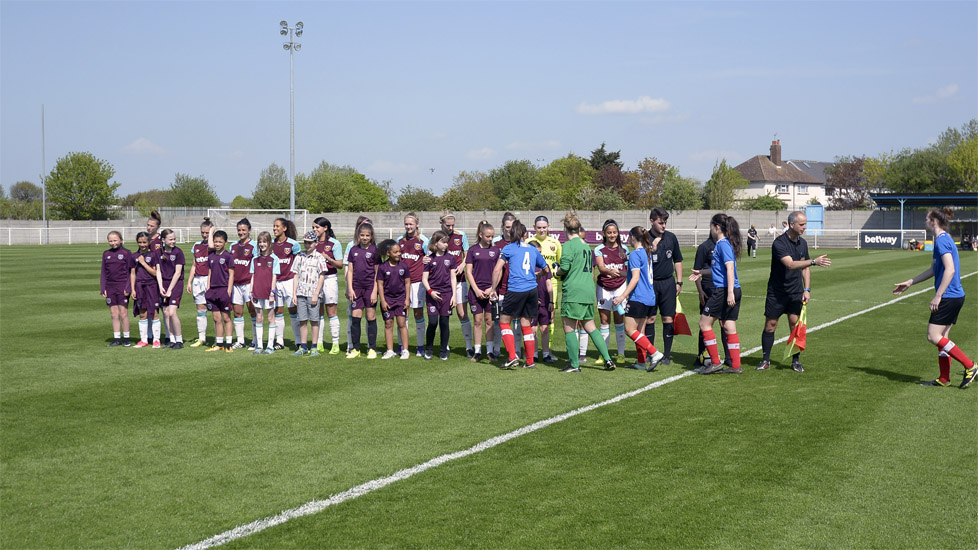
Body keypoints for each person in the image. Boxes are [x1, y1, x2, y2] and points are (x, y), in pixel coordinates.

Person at [893, 208, 976, 388]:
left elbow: (950, 269)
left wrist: (938, 296)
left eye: (926, 219)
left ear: (934, 221)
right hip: (955, 296)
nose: (924, 222)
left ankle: (970, 366)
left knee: (933, 336)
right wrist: (910, 282)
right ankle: (944, 378)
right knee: (943, 337)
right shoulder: (942, 239)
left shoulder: (942, 241)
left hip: (949, 297)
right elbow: (934, 269)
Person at [757, 211, 831, 372]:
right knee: (770, 325)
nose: (805, 227)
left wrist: (807, 289)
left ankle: (795, 361)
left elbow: (805, 268)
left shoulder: (802, 243)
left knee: (794, 325)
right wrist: (813, 262)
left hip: (796, 292)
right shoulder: (779, 243)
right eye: (802, 224)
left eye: (805, 224)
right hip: (777, 292)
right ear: (792, 225)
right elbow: (790, 265)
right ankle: (765, 360)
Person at [556, 212, 615, 373]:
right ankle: (608, 359)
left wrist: (556, 271)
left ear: (565, 229)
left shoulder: (568, 245)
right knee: (591, 327)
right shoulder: (586, 246)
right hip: (588, 291)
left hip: (574, 292)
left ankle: (574, 364)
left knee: (569, 327)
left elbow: (565, 268)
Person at [492, 220, 551, 369]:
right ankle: (530, 361)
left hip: (516, 289)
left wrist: (493, 288)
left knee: (504, 321)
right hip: (532, 290)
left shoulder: (508, 248)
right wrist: (538, 276)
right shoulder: (533, 249)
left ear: (511, 233)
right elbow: (546, 269)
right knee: (526, 324)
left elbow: (497, 269)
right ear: (525, 234)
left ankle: (512, 357)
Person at [695, 214, 744, 375]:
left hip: (724, 290)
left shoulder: (722, 244)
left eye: (711, 227)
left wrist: (729, 293)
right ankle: (736, 365)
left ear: (717, 228)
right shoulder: (723, 244)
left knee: (704, 324)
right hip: (730, 289)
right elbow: (720, 269)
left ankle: (715, 363)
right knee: (728, 325)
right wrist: (702, 272)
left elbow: (730, 268)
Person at [612, 227, 664, 371]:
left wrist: (622, 296)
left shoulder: (635, 254)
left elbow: (635, 279)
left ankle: (654, 353)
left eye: (629, 237)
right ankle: (641, 362)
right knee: (639, 332)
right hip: (649, 297)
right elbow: (639, 275)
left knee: (629, 329)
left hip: (638, 297)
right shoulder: (646, 253)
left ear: (633, 237)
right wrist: (623, 274)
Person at [645, 207, 683, 366]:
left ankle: (667, 355)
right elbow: (639, 261)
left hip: (668, 283)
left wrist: (679, 282)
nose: (664, 226)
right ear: (652, 221)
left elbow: (678, 260)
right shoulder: (644, 238)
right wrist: (651, 247)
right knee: (650, 319)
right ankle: (650, 353)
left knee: (668, 318)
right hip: (650, 283)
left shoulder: (671, 238)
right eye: (661, 222)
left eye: (665, 222)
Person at [532, 215, 571, 362]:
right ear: (534, 227)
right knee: (532, 319)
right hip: (533, 286)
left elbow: (561, 264)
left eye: (544, 227)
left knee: (550, 319)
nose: (542, 230)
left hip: (551, 285)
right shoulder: (530, 242)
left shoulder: (555, 243)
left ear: (549, 227)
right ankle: (534, 350)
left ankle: (548, 350)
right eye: (539, 227)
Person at [437, 210, 473, 355]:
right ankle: (444, 346)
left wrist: (462, 265)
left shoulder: (460, 235)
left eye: (452, 225)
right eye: (448, 225)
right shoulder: (437, 237)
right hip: (442, 283)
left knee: (462, 313)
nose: (451, 228)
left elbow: (467, 254)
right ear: (441, 224)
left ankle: (469, 347)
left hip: (459, 280)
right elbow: (429, 255)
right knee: (443, 315)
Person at [594, 219, 628, 362]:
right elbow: (601, 268)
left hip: (620, 287)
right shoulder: (599, 249)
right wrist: (609, 271)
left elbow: (629, 271)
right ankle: (604, 354)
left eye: (614, 232)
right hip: (603, 288)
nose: (612, 235)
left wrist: (619, 274)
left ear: (618, 233)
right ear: (604, 234)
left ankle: (621, 353)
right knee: (604, 320)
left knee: (619, 319)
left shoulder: (624, 249)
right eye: (609, 232)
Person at [692, 231, 728, 368]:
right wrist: (700, 291)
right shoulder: (705, 247)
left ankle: (729, 357)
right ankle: (701, 354)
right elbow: (696, 270)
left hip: (723, 289)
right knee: (705, 323)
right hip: (708, 290)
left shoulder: (725, 245)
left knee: (724, 324)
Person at [290, 232, 328, 357]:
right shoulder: (299, 256)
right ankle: (303, 346)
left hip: (313, 294)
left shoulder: (319, 257)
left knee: (314, 320)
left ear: (316, 243)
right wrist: (294, 294)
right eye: (305, 242)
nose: (307, 245)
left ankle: (314, 347)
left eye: (310, 242)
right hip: (301, 292)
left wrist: (316, 294)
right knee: (302, 320)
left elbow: (322, 276)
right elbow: (295, 275)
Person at [465, 220, 498, 362]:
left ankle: (490, 352)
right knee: (478, 321)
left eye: (492, 236)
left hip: (491, 291)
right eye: (488, 236)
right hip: (475, 292)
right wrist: (476, 289)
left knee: (489, 321)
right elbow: (468, 272)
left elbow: (499, 271)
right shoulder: (473, 250)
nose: (490, 239)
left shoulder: (496, 251)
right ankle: (477, 351)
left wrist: (492, 288)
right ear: (481, 235)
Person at [398, 213, 430, 356]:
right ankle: (401, 345)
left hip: (417, 282)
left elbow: (429, 258)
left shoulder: (423, 240)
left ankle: (419, 346)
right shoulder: (399, 240)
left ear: (417, 224)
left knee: (418, 313)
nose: (408, 227)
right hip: (401, 282)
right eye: (406, 224)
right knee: (402, 313)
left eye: (411, 224)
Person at [346, 221, 379, 359]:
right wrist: (350, 288)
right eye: (362, 235)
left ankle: (371, 348)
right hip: (356, 288)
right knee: (355, 317)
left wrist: (374, 291)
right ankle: (356, 349)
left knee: (370, 317)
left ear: (371, 237)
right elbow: (350, 271)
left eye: (367, 235)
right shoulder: (353, 250)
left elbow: (378, 273)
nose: (364, 238)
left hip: (370, 288)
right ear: (358, 235)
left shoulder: (375, 251)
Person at [422, 231, 457, 360]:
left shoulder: (450, 258)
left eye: (447, 242)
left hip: (446, 294)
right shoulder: (429, 259)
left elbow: (453, 277)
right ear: (436, 243)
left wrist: (454, 295)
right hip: (432, 295)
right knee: (432, 322)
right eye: (443, 242)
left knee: (444, 322)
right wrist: (430, 291)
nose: (446, 245)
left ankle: (443, 350)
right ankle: (429, 349)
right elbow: (424, 279)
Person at [313, 217, 344, 355]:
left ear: (325, 228)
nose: (314, 230)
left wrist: (329, 259)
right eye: (313, 227)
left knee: (331, 311)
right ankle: (318, 342)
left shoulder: (334, 243)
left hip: (330, 278)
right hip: (315, 280)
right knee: (317, 311)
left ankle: (335, 343)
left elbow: (340, 265)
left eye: (317, 227)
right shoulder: (312, 243)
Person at [376, 239, 411, 360]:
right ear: (388, 253)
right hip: (388, 300)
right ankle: (390, 350)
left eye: (399, 252)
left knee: (402, 323)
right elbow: (380, 284)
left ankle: (405, 350)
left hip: (401, 299)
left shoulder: (404, 266)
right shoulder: (382, 267)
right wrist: (383, 301)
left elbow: (407, 283)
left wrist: (407, 299)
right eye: (395, 252)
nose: (398, 254)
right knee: (388, 323)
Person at [249, 231, 281, 355]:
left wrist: (272, 292)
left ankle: (270, 346)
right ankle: (259, 345)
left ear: (269, 243)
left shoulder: (274, 259)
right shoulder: (255, 259)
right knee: (259, 317)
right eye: (260, 242)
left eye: (264, 242)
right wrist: (251, 292)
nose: (262, 244)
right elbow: (252, 276)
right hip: (257, 292)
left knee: (270, 318)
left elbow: (274, 277)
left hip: (269, 293)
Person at [491, 212, 518, 359]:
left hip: (516, 288)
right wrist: (493, 287)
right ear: (503, 227)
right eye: (507, 227)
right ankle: (496, 349)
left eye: (512, 226)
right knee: (498, 319)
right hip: (501, 287)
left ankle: (515, 351)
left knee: (516, 321)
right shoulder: (496, 244)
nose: (509, 230)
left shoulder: (519, 243)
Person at [271, 218, 301, 350]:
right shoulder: (271, 244)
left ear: (284, 228)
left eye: (277, 226)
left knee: (293, 310)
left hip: (289, 281)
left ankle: (298, 340)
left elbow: (299, 263)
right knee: (278, 311)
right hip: (276, 282)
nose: (275, 228)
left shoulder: (293, 244)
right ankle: (279, 341)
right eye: (274, 226)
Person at [230, 218, 259, 350]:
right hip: (235, 284)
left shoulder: (254, 246)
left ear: (249, 231)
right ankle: (240, 341)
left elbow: (257, 266)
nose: (241, 232)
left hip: (248, 284)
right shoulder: (233, 246)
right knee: (237, 312)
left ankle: (255, 340)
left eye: (244, 230)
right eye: (239, 230)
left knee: (252, 311)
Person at [130, 231, 162, 348]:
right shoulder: (134, 256)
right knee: (142, 314)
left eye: (144, 242)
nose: (142, 244)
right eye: (140, 242)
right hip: (139, 287)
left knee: (154, 313)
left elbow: (155, 273)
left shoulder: (153, 255)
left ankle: (156, 340)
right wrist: (133, 289)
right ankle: (143, 340)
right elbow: (132, 273)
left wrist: (143, 263)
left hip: (151, 286)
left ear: (149, 242)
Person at [101, 231, 132, 347]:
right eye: (110, 240)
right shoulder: (106, 254)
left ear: (121, 240)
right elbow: (103, 272)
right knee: (114, 314)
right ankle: (117, 338)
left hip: (122, 286)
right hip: (110, 287)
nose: (113, 243)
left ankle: (127, 338)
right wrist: (103, 287)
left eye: (115, 240)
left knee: (123, 313)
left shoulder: (126, 253)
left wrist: (128, 287)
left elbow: (130, 272)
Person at [205, 230, 235, 352]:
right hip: (212, 290)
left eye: (220, 242)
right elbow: (210, 272)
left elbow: (231, 275)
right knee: (216, 318)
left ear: (225, 242)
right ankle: (219, 343)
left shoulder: (228, 256)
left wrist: (228, 290)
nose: (217, 244)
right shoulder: (211, 256)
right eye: (216, 241)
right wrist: (208, 288)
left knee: (226, 318)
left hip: (223, 290)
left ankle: (228, 343)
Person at [155, 229, 185, 349]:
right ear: (163, 240)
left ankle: (179, 340)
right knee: (166, 313)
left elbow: (177, 273)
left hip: (175, 284)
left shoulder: (178, 252)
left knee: (172, 312)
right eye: (170, 239)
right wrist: (161, 286)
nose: (173, 241)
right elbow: (158, 271)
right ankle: (171, 339)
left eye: (174, 239)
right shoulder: (158, 253)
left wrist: (170, 289)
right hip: (164, 284)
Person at [187, 218, 214, 347]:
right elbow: (194, 264)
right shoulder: (196, 246)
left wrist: (213, 231)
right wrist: (189, 282)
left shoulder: (214, 245)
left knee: (215, 310)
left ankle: (218, 338)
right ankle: (201, 338)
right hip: (198, 280)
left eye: (207, 233)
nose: (204, 235)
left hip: (210, 280)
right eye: (203, 232)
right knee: (200, 309)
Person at [527, 240, 556, 364]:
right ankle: (534, 354)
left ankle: (546, 354)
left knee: (544, 328)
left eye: (540, 252)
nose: (539, 255)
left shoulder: (545, 265)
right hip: (532, 303)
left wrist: (551, 301)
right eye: (536, 252)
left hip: (545, 303)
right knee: (533, 329)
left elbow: (549, 284)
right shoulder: (527, 266)